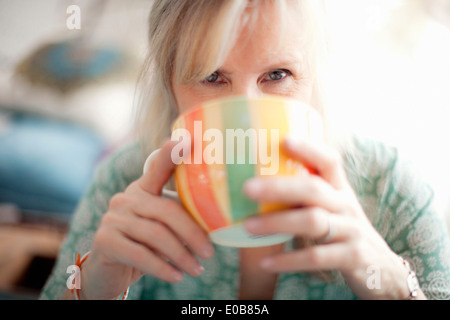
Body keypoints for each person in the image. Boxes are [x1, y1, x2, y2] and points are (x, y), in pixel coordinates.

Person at [40, 0, 450, 300]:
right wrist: (93, 292)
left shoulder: (392, 190)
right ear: (170, 85)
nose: (248, 113)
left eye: (278, 74)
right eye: (211, 76)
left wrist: (396, 289)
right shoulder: (126, 182)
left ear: (316, 77)